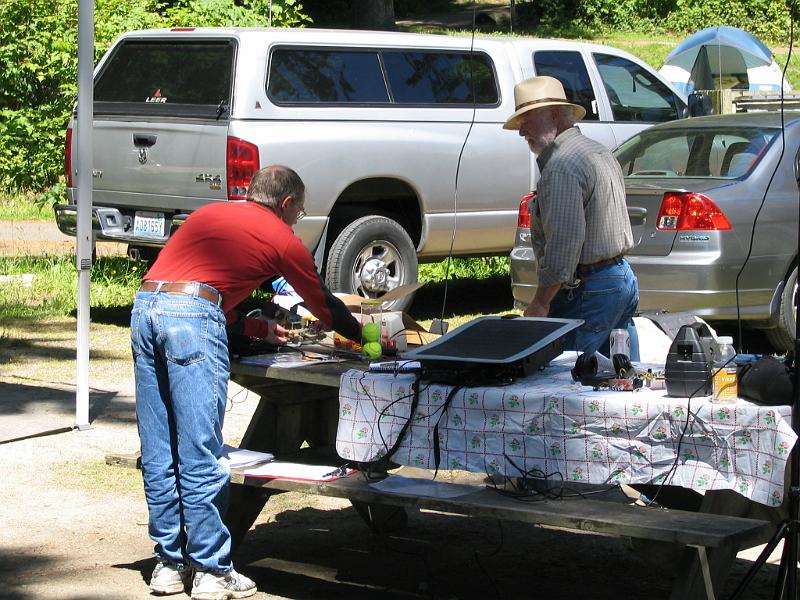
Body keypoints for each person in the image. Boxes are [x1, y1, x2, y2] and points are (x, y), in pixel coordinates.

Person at [130, 165, 361, 598]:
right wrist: (362, 334)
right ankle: (212, 571)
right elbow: (321, 301)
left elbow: (194, 290)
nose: (297, 220)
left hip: (146, 307)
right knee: (201, 448)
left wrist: (255, 329)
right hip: (191, 318)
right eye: (299, 211)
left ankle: (168, 562)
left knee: (160, 447)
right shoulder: (280, 237)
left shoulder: (207, 215)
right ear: (287, 204)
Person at [504, 76, 640, 360]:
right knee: (624, 382)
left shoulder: (562, 167)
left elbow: (565, 244)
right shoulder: (597, 151)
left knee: (567, 382)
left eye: (526, 120)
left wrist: (541, 302)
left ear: (553, 114)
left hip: (592, 289)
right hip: (619, 278)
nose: (521, 132)